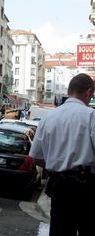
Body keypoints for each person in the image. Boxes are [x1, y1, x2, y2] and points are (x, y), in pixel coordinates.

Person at [29, 73, 95, 236]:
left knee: (60, 231)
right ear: (88, 92)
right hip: (86, 187)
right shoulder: (91, 116)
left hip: (59, 186)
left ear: (69, 91)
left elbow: (36, 156)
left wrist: (57, 165)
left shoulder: (48, 117)